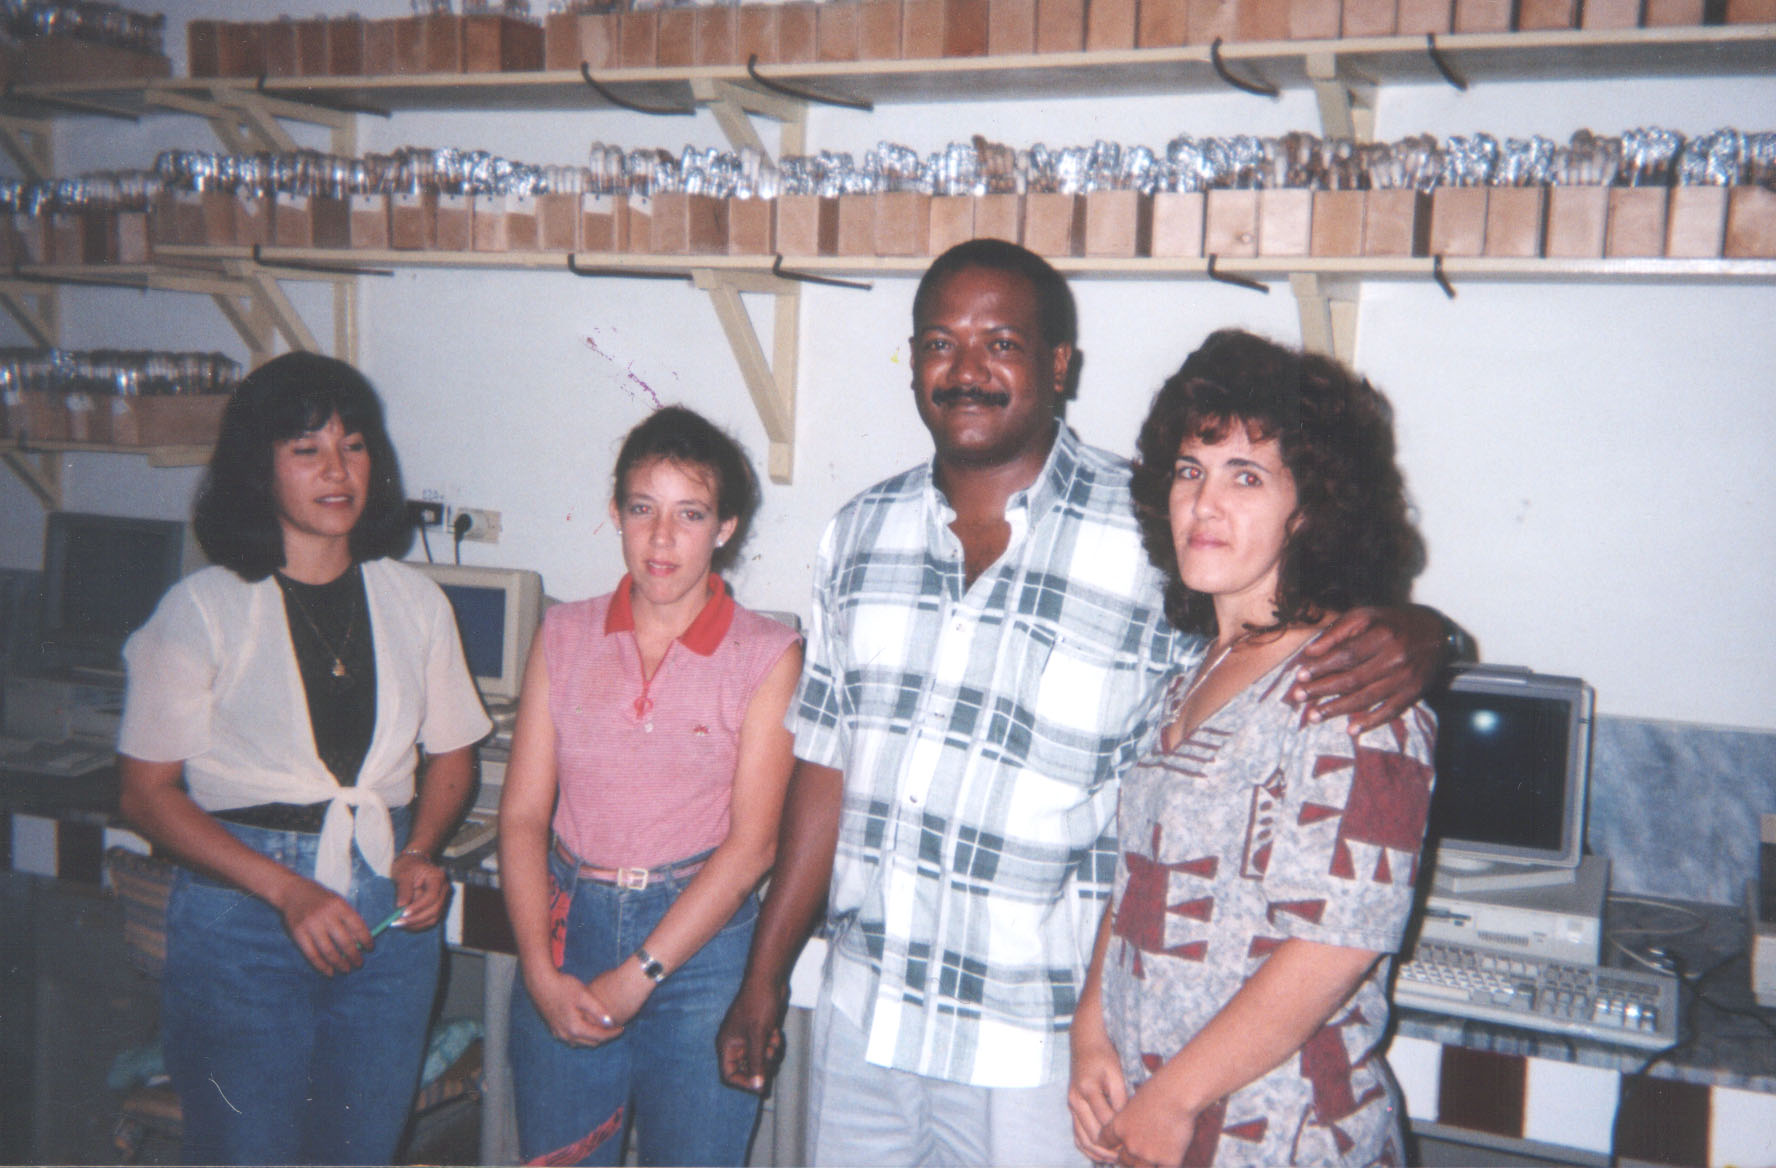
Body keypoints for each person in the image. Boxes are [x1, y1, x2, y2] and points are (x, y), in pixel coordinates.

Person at [715, 240, 1449, 1167]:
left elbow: (1305, 630)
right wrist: (767, 976)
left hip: (1045, 1043)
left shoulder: (1146, 537)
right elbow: (828, 762)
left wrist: (1426, 634)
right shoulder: (858, 534)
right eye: (940, 341)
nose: (967, 369)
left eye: (1003, 343)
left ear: (1059, 365)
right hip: (878, 1010)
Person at [1068, 329, 1435, 1168]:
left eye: (1247, 476)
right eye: (1190, 471)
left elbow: (1334, 947)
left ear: (1309, 509)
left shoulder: (1352, 686)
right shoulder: (1193, 676)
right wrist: (1092, 1032)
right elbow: (1138, 881)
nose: (1204, 503)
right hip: (1161, 1122)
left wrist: (1174, 1097)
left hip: (1281, 1132)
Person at [116, 351, 492, 1166]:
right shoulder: (202, 610)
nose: (337, 470)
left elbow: (455, 752)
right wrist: (290, 893)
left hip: (386, 911)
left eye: (353, 446)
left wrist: (421, 850)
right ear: (261, 468)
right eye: (306, 449)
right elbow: (147, 795)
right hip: (245, 914)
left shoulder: (414, 600)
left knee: (359, 1151)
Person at [498, 405, 802, 1167]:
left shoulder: (767, 654)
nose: (662, 538)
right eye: (643, 509)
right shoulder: (564, 633)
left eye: (689, 514)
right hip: (571, 931)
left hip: (699, 950)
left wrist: (640, 976)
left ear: (725, 527)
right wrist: (538, 970)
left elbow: (752, 846)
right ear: (616, 514)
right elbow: (524, 814)